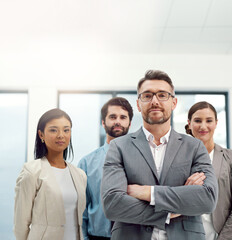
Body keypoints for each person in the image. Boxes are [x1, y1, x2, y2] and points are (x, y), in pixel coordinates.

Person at [101, 70, 218, 240]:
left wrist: (149, 193)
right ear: (139, 104)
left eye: (162, 95)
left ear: (174, 102)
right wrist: (170, 211)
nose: (155, 101)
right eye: (147, 95)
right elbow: (112, 204)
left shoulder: (194, 147)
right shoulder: (118, 147)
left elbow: (207, 199)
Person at [14, 108, 87, 240]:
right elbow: (21, 223)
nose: (61, 135)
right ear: (41, 135)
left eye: (66, 130)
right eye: (53, 130)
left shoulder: (80, 175)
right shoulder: (32, 172)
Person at [185, 101, 232, 240]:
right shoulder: (178, 160)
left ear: (216, 123)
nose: (203, 126)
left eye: (209, 120)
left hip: (219, 235)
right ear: (189, 123)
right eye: (197, 120)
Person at [78, 97, 133, 240]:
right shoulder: (86, 163)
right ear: (103, 122)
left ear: (129, 123)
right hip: (97, 237)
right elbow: (81, 209)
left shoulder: (143, 161)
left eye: (123, 117)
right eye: (112, 117)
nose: (118, 121)